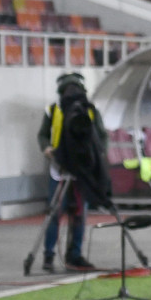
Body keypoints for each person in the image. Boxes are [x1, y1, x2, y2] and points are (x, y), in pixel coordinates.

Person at [36, 72, 109, 273]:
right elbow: (42, 134)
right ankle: (49, 255)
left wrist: (99, 154)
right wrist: (46, 148)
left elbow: (103, 136)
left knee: (79, 213)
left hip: (82, 169)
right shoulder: (52, 110)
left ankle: (75, 254)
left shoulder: (91, 111)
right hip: (59, 169)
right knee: (55, 213)